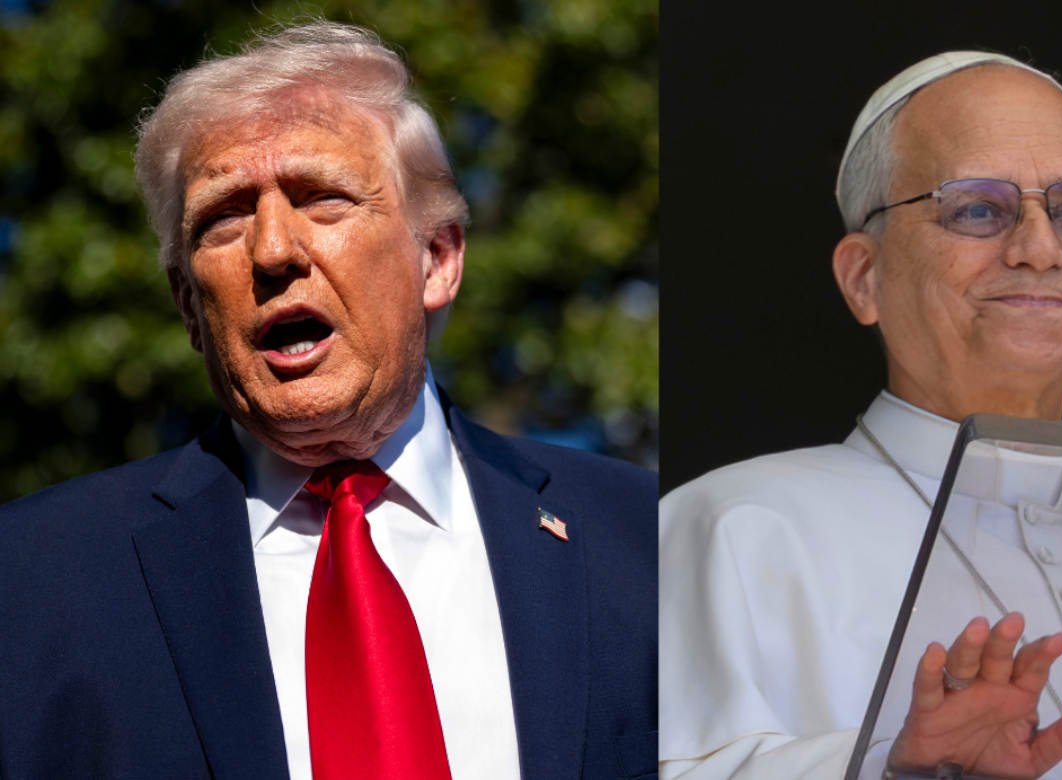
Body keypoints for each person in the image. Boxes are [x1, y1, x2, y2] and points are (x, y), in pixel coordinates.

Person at [0, 22, 655, 780]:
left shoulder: (641, 538)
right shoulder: (32, 582)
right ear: (187, 305)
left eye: (323, 199)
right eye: (224, 217)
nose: (273, 250)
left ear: (436, 259)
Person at [659, 51, 1062, 779]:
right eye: (977, 209)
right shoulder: (734, 533)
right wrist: (892, 770)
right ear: (864, 278)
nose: (1039, 249)